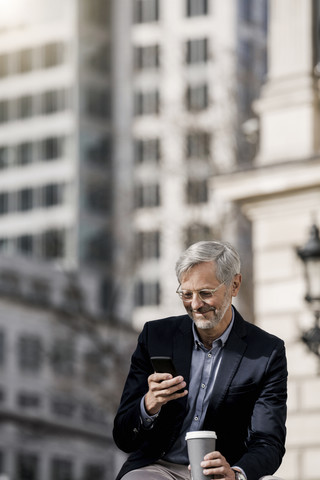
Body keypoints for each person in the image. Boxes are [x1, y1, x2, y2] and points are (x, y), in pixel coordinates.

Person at [113, 240, 287, 480]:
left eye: (206, 293)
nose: (195, 305)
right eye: (186, 294)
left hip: (223, 470)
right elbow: (123, 436)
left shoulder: (267, 352)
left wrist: (236, 474)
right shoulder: (155, 336)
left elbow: (268, 441)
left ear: (234, 285)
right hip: (159, 468)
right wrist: (149, 404)